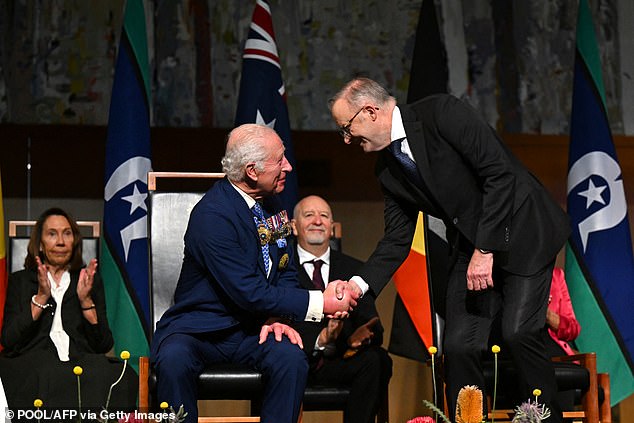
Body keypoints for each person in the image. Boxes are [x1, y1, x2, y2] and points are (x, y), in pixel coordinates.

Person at [328, 77, 570, 422]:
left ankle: (545, 420)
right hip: (470, 246)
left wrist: (485, 250)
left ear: (370, 111)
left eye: (347, 128)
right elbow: (397, 239)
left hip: (522, 230)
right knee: (457, 346)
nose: (347, 139)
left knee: (519, 332)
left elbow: (499, 174)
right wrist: (357, 285)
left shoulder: (441, 114)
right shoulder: (387, 170)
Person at [150, 124, 357, 423]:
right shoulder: (212, 216)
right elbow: (248, 291)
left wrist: (278, 318)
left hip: (253, 328)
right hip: (201, 330)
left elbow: (284, 269)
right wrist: (320, 303)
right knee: (173, 361)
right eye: (280, 160)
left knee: (291, 358)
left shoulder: (273, 205)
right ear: (252, 170)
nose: (288, 166)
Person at [0, 207, 137, 413]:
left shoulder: (89, 281)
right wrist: (40, 299)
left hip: (79, 358)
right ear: (39, 243)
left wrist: (85, 302)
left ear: (75, 242)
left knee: (123, 375)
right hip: (35, 359)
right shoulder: (20, 281)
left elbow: (103, 344)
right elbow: (9, 341)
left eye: (67, 233)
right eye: (52, 234)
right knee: (48, 372)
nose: (61, 242)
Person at [291, 195, 392, 423]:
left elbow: (373, 327)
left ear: (332, 228)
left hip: (340, 361)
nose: (318, 220)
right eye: (309, 215)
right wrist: (321, 338)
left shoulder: (354, 269)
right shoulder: (282, 268)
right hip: (296, 360)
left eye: (324, 216)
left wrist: (360, 338)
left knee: (378, 360)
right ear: (294, 227)